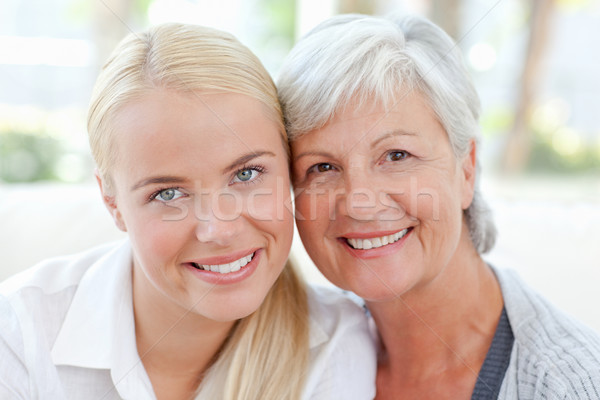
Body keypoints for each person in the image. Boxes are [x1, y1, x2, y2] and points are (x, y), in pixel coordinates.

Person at [0, 23, 376, 400]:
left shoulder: (336, 343)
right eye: (168, 194)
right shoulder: (19, 337)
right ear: (112, 203)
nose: (219, 228)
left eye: (246, 174)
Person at [277, 13, 600, 399]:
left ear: (466, 170)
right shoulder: (301, 360)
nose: (359, 203)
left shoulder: (568, 386)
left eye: (396, 155)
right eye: (322, 167)